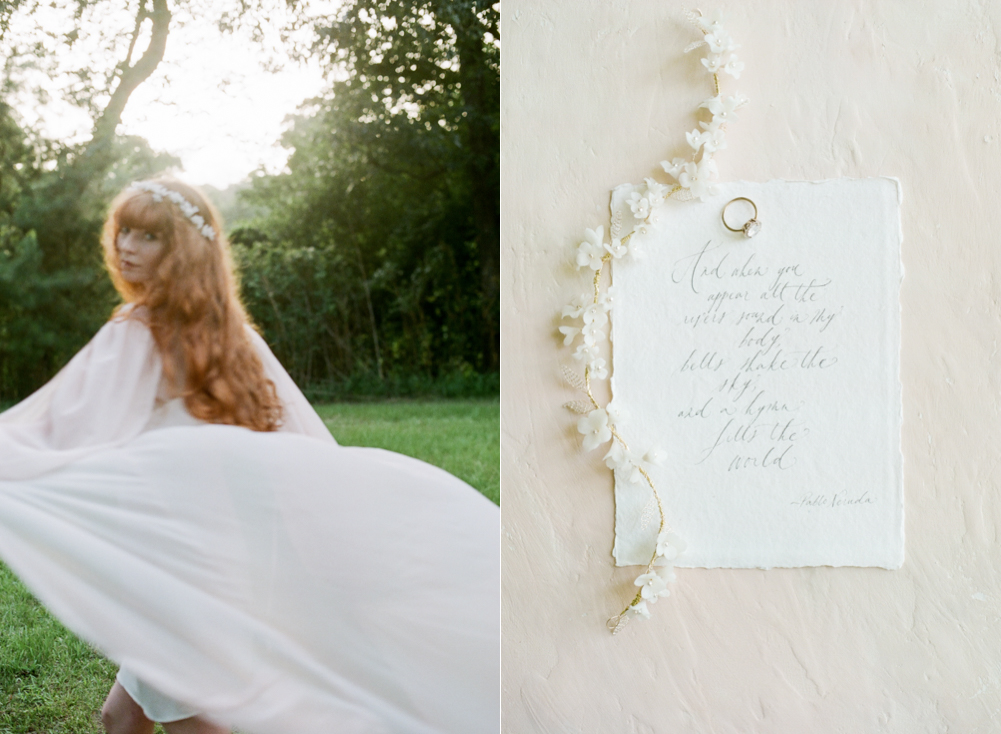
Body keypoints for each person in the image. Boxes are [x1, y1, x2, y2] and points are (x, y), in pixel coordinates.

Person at [0, 179, 500, 734]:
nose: (126, 247)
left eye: (149, 236)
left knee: (190, 721)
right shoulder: (232, 336)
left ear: (182, 251)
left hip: (184, 567)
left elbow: (60, 428)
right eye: (124, 232)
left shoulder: (136, 331)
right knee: (120, 718)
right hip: (230, 557)